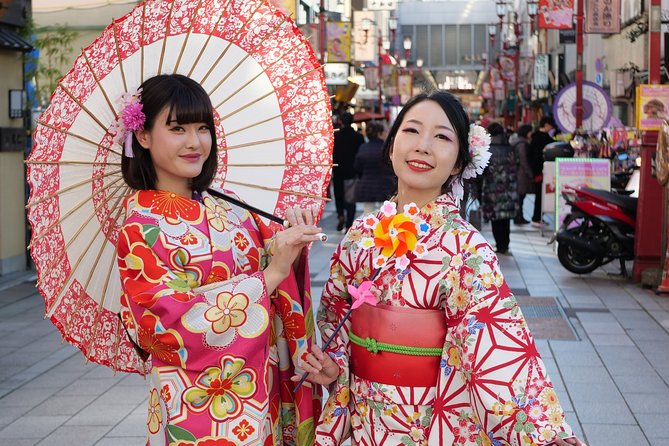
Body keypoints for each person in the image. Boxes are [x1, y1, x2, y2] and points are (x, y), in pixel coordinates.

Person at [310, 91, 586, 446]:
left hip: (435, 421)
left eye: (441, 137)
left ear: (458, 162)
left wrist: (542, 435)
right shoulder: (360, 236)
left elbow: (495, 349)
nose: (423, 146)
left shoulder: (466, 249)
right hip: (368, 418)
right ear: (392, 144)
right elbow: (336, 321)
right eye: (411, 131)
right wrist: (335, 368)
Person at [115, 74, 323, 445]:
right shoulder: (139, 229)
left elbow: (277, 267)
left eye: (202, 128)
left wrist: (291, 246)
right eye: (177, 128)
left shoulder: (228, 205)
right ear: (143, 136)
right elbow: (165, 325)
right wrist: (271, 274)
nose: (194, 142)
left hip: (262, 386)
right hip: (197, 401)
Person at [481, 122, 519, 254]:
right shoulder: (510, 148)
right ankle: (505, 244)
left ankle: (499, 244)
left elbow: (482, 171)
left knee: (495, 218)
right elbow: (516, 166)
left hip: (492, 189)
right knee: (505, 218)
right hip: (508, 188)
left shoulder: (487, 150)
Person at [353, 120, 396, 214]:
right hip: (385, 186)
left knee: (368, 215)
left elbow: (357, 167)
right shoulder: (387, 148)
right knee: (385, 215)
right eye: (384, 131)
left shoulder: (363, 147)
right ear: (379, 133)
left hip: (367, 186)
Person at [332, 112, 365, 231]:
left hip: (338, 171)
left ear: (340, 121)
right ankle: (349, 224)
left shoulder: (336, 136)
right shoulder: (358, 137)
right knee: (350, 199)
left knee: (339, 196)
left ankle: (340, 215)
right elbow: (361, 155)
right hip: (352, 172)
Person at [528, 116, 555, 227]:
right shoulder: (545, 139)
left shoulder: (534, 138)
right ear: (547, 125)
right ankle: (536, 218)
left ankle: (537, 217)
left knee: (539, 195)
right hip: (542, 171)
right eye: (551, 126)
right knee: (540, 195)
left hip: (536, 171)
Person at [510, 123, 534, 224]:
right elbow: (523, 160)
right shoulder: (522, 144)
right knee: (521, 197)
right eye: (530, 131)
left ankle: (519, 216)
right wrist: (530, 173)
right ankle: (519, 217)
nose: (531, 134)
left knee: (520, 197)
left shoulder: (516, 142)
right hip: (521, 174)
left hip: (517, 171)